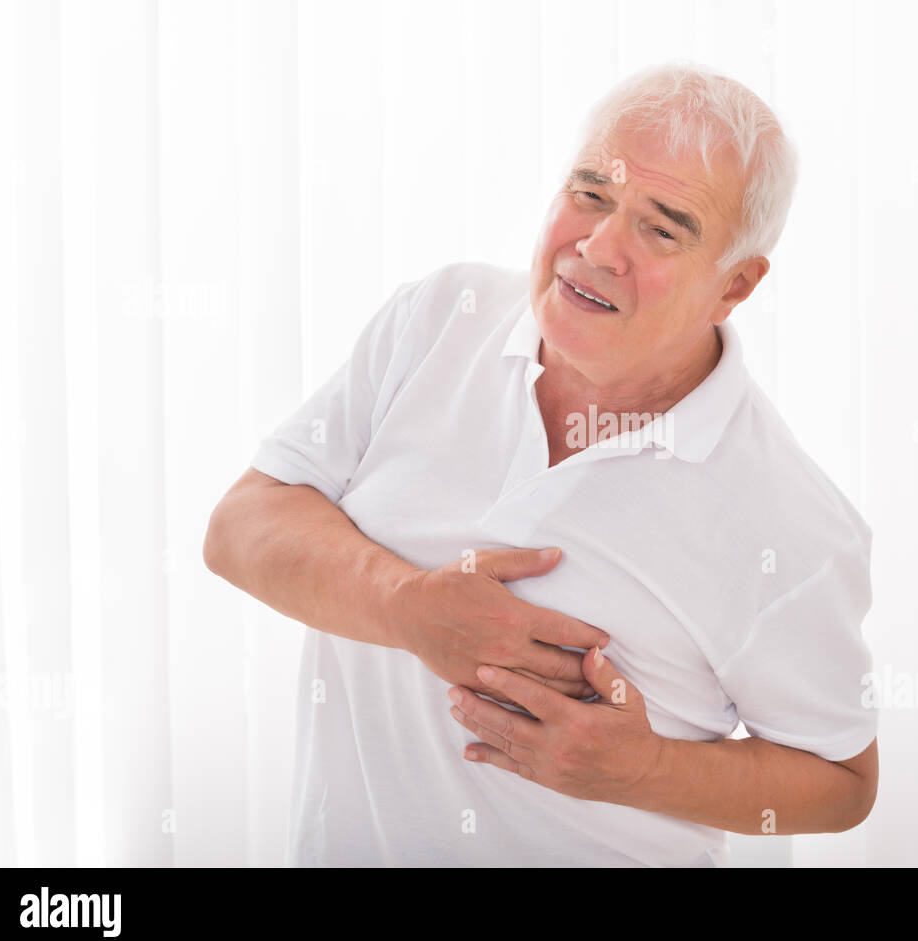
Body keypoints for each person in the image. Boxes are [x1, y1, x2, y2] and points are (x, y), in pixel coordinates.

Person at [203, 60, 878, 866]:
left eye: (662, 228)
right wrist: (407, 608)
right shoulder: (437, 318)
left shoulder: (788, 519)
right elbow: (240, 524)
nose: (597, 247)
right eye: (592, 193)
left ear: (735, 284)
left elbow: (842, 781)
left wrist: (644, 768)